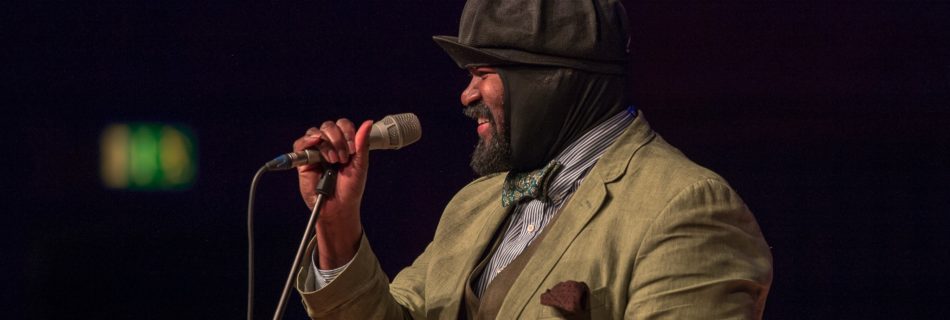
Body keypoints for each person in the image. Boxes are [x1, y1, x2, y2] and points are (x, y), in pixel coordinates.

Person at [291, 0, 772, 318]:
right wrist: (337, 227)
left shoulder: (685, 208)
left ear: (554, 80)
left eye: (484, 72)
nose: (466, 94)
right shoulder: (474, 205)